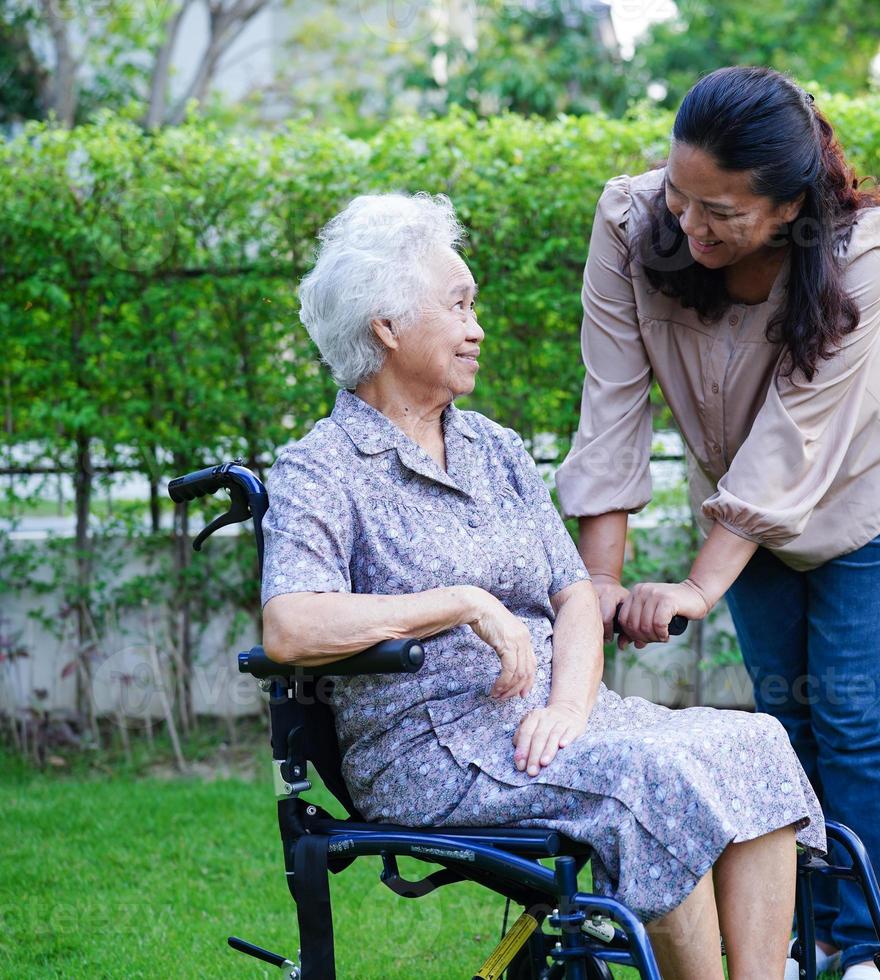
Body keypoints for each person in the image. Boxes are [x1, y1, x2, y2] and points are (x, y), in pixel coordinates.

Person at [259, 191, 825, 980]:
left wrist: (567, 706)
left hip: (552, 722)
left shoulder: (494, 449)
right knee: (652, 779)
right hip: (433, 748)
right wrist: (463, 603)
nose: (476, 327)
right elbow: (289, 626)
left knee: (753, 741)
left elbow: (574, 593)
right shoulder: (321, 468)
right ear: (385, 328)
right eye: (457, 306)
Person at [556, 66, 880, 980]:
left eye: (719, 212)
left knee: (850, 710)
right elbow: (612, 409)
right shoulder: (630, 221)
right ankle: (798, 943)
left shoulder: (856, 249)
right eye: (680, 196)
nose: (690, 225)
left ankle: (873, 952)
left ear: (789, 202)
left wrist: (694, 584)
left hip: (860, 490)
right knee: (783, 723)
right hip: (741, 507)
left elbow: (796, 432)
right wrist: (600, 586)